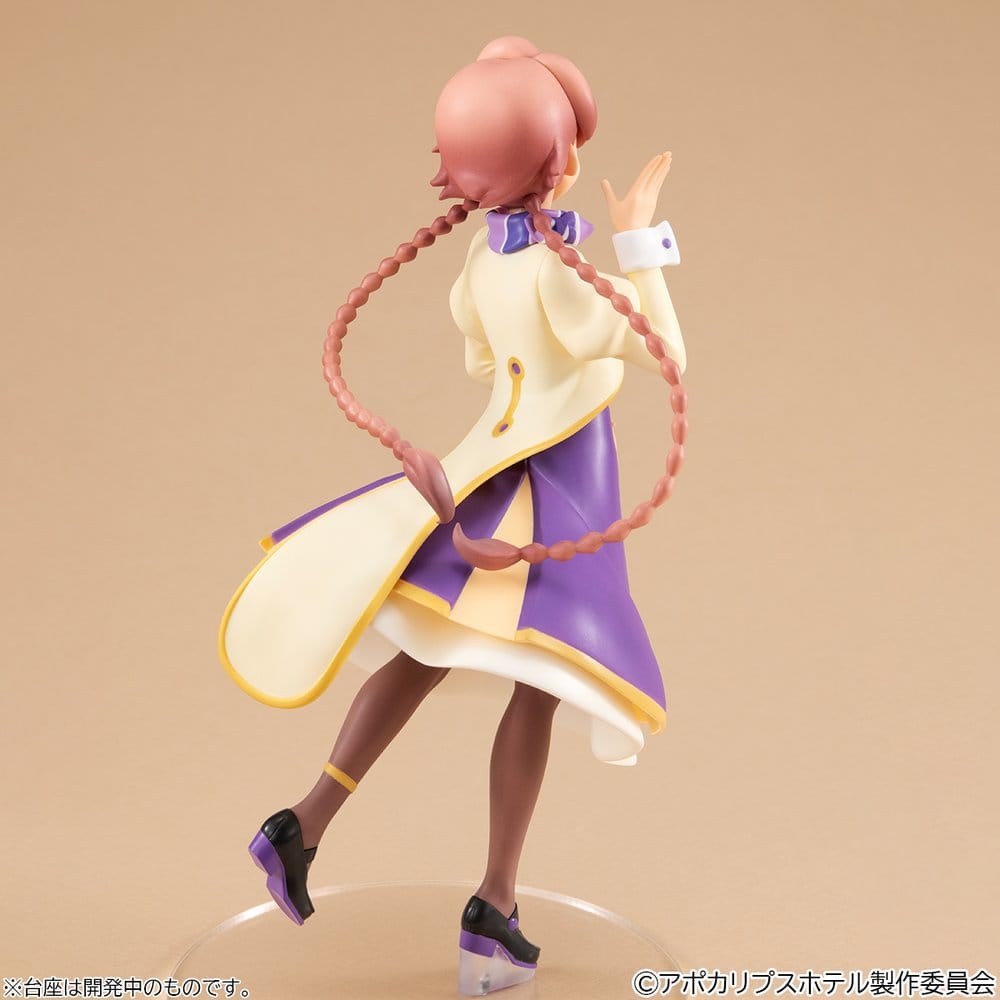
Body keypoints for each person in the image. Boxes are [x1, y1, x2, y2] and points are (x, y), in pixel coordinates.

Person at [220, 34, 688, 996]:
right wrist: (641, 239)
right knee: (540, 677)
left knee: (429, 644)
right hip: (559, 481)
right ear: (557, 160)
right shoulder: (558, 267)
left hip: (490, 463)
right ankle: (493, 908)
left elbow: (484, 361)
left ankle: (305, 820)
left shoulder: (482, 260)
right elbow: (663, 353)